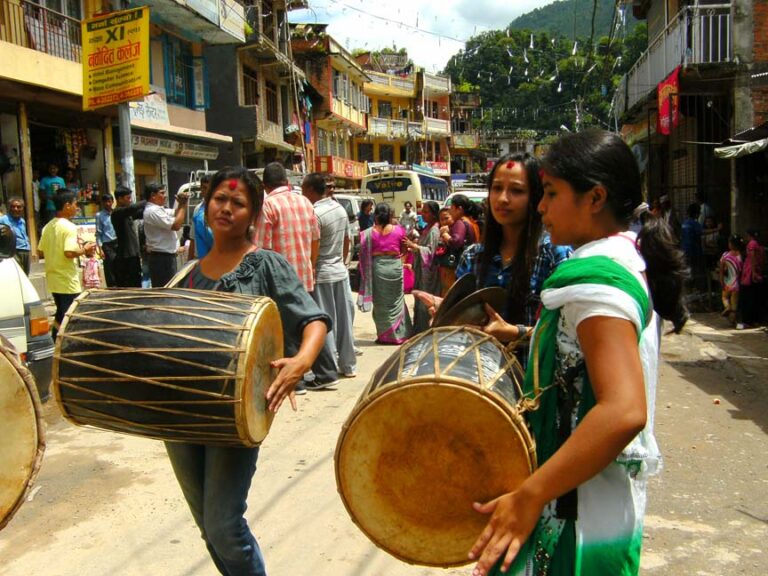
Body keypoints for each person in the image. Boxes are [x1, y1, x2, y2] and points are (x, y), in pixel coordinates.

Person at [468, 129, 689, 576]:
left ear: (595, 197)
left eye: (550, 193)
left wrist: (530, 496)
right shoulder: (622, 258)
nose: (542, 206)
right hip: (590, 497)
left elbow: (624, 410)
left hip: (579, 510)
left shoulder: (597, 283)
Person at [165, 167, 330, 576]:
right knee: (208, 526)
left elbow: (314, 320)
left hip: (234, 413)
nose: (226, 207)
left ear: (254, 215)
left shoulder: (265, 265)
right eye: (219, 199)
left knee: (224, 525)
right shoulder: (190, 272)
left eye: (238, 203)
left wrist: (302, 361)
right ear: (205, 207)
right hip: (184, 415)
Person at [451, 154, 572, 367]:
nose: (503, 199)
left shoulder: (555, 255)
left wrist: (515, 333)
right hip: (480, 387)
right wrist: (446, 314)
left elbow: (568, 334)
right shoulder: (472, 256)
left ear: (536, 197)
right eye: (497, 188)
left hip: (534, 388)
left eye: (516, 190)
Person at [302, 172, 357, 380]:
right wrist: (343, 262)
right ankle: (349, 365)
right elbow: (346, 241)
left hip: (323, 272)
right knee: (344, 321)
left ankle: (330, 364)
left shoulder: (315, 213)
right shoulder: (340, 208)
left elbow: (313, 246)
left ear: (310, 190)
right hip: (339, 271)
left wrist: (312, 268)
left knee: (326, 321)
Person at [253, 162, 319, 295]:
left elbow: (261, 251)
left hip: (281, 286)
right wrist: (311, 267)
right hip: (305, 283)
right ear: (287, 182)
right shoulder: (305, 202)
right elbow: (315, 240)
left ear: (264, 185)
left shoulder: (268, 206)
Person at [37, 191, 96, 340]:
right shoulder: (69, 227)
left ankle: (55, 339)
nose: (77, 208)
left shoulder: (47, 226)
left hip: (53, 279)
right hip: (66, 279)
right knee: (70, 314)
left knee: (61, 312)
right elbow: (69, 253)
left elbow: (40, 251)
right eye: (75, 204)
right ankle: (64, 342)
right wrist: (85, 249)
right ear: (67, 205)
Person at [357, 202, 413, 344]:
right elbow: (405, 249)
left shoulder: (368, 233)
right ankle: (399, 335)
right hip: (394, 267)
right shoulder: (399, 230)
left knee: (381, 303)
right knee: (397, 301)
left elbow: (362, 252)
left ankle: (384, 336)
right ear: (389, 215)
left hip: (378, 268)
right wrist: (400, 262)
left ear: (376, 215)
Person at [404, 200, 441, 333]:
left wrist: (415, 247)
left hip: (429, 274)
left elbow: (430, 252)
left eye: (426, 212)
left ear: (433, 214)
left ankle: (426, 330)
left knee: (426, 301)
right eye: (422, 211)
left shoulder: (434, 231)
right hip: (421, 271)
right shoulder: (426, 229)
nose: (423, 214)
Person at [143, 182, 189, 287]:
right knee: (166, 290)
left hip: (166, 258)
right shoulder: (152, 211)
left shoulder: (159, 209)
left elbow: (176, 213)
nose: (165, 196)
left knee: (169, 289)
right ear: (153, 195)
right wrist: (183, 206)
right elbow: (176, 225)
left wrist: (181, 204)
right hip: (161, 259)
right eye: (162, 193)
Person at [438, 194, 480, 291]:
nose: (450, 211)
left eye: (452, 208)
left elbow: (456, 242)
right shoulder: (471, 222)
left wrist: (445, 235)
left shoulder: (460, 222)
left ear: (459, 209)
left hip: (456, 266)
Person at [110, 186, 146, 288]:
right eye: (128, 198)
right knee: (129, 285)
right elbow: (132, 208)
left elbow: (140, 213)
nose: (130, 200)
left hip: (133, 255)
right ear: (120, 199)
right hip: (125, 257)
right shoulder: (117, 213)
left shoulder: (128, 214)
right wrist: (148, 199)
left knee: (136, 283)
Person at [739, 229, 765, 327]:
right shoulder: (758, 245)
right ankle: (754, 320)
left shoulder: (752, 244)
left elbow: (752, 257)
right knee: (754, 297)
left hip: (750, 274)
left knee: (748, 297)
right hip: (754, 272)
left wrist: (753, 272)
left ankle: (748, 321)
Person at [0, 197, 31, 274]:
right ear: (9, 208)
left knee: (25, 277)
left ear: (22, 208)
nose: (15, 209)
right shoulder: (3, 220)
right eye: (13, 207)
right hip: (14, 252)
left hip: (26, 251)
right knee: (19, 275)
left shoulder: (22, 221)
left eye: (18, 207)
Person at [95, 193, 118, 287]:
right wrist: (100, 249)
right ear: (103, 203)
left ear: (112, 201)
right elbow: (98, 233)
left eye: (109, 201)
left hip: (117, 242)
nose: (108, 204)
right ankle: (112, 287)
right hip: (107, 244)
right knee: (109, 266)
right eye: (105, 202)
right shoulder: (99, 215)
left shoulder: (116, 212)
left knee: (119, 264)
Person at [719, 235, 742, 325]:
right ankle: (734, 321)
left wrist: (721, 281)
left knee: (724, 297)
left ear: (731, 244)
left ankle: (727, 307)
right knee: (734, 304)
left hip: (728, 282)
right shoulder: (740, 255)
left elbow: (721, 270)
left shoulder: (725, 255)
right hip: (737, 282)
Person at [189, 174, 213, 260]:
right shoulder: (198, 209)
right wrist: (189, 261)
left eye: (207, 188)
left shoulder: (222, 209)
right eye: (203, 187)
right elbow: (193, 237)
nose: (204, 191)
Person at [436, 207, 456, 295]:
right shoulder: (441, 230)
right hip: (444, 265)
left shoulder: (455, 230)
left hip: (452, 267)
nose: (444, 221)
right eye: (441, 219)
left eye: (446, 218)